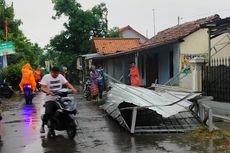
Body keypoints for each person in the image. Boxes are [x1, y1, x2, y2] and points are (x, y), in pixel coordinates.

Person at [39, 66, 77, 133]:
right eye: (55, 73)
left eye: (57, 73)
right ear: (51, 72)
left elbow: (67, 84)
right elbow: (42, 88)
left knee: (70, 108)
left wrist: (73, 89)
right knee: (48, 112)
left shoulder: (60, 76)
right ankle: (42, 126)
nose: (56, 75)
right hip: (50, 97)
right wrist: (48, 92)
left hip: (61, 96)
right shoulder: (46, 77)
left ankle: (66, 121)